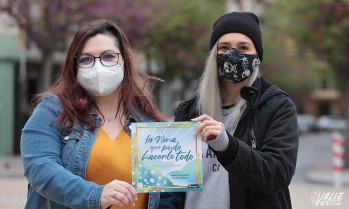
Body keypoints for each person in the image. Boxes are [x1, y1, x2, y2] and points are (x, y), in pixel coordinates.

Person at [21, 19, 174, 209]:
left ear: (124, 60)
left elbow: (166, 195)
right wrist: (95, 195)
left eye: (108, 56)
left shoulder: (147, 121)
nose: (98, 66)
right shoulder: (53, 110)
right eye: (86, 59)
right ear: (75, 66)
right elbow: (40, 168)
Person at [173, 12, 299, 209]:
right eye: (224, 47)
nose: (233, 54)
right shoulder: (189, 111)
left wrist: (226, 145)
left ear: (257, 57)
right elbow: (174, 183)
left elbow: (278, 175)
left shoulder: (276, 106)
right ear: (213, 56)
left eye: (243, 47)